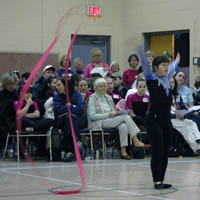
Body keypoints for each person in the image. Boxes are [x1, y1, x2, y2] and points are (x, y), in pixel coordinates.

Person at [139, 48, 180, 189]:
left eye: (167, 65)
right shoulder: (151, 80)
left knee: (165, 152)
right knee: (158, 151)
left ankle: (161, 180)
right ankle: (156, 181)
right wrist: (139, 50)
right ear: (156, 68)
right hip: (153, 121)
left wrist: (176, 60)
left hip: (166, 121)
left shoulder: (168, 81)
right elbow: (145, 67)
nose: (166, 67)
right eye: (163, 65)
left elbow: (173, 66)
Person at [87, 78, 149, 160]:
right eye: (100, 86)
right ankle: (136, 140)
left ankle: (123, 152)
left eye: (104, 86)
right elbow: (92, 116)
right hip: (98, 122)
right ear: (95, 88)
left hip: (111, 120)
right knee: (126, 117)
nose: (103, 88)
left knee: (123, 126)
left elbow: (113, 109)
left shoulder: (108, 97)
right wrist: (108, 114)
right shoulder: (92, 98)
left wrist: (116, 112)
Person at [53, 77, 84, 161]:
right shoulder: (56, 98)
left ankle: (69, 152)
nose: (56, 86)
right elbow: (58, 111)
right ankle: (76, 141)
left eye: (59, 84)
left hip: (77, 120)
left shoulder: (76, 95)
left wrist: (66, 109)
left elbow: (81, 109)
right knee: (68, 119)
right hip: (61, 120)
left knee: (69, 119)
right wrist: (70, 106)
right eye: (56, 84)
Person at [170, 77, 200, 154]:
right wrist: (174, 116)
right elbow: (161, 111)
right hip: (169, 118)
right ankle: (196, 149)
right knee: (186, 128)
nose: (171, 84)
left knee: (192, 123)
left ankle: (198, 140)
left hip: (179, 116)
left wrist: (184, 115)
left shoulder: (177, 95)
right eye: (169, 82)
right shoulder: (163, 95)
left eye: (173, 82)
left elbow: (183, 107)